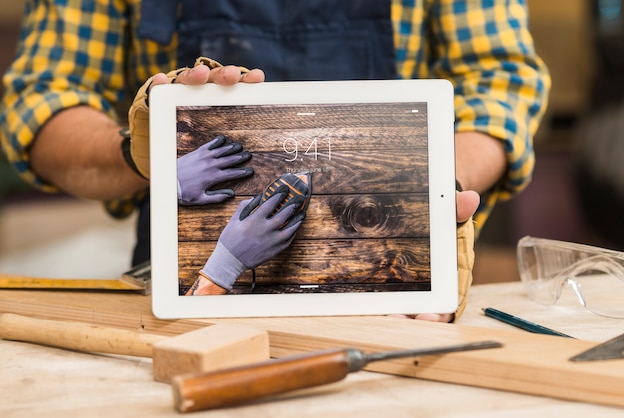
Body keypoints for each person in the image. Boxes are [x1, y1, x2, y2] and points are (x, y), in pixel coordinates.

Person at [0, 1, 550, 322]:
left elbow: (501, 84)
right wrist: (145, 156)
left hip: (389, 270)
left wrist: (428, 193)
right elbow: (42, 99)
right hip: (183, 273)